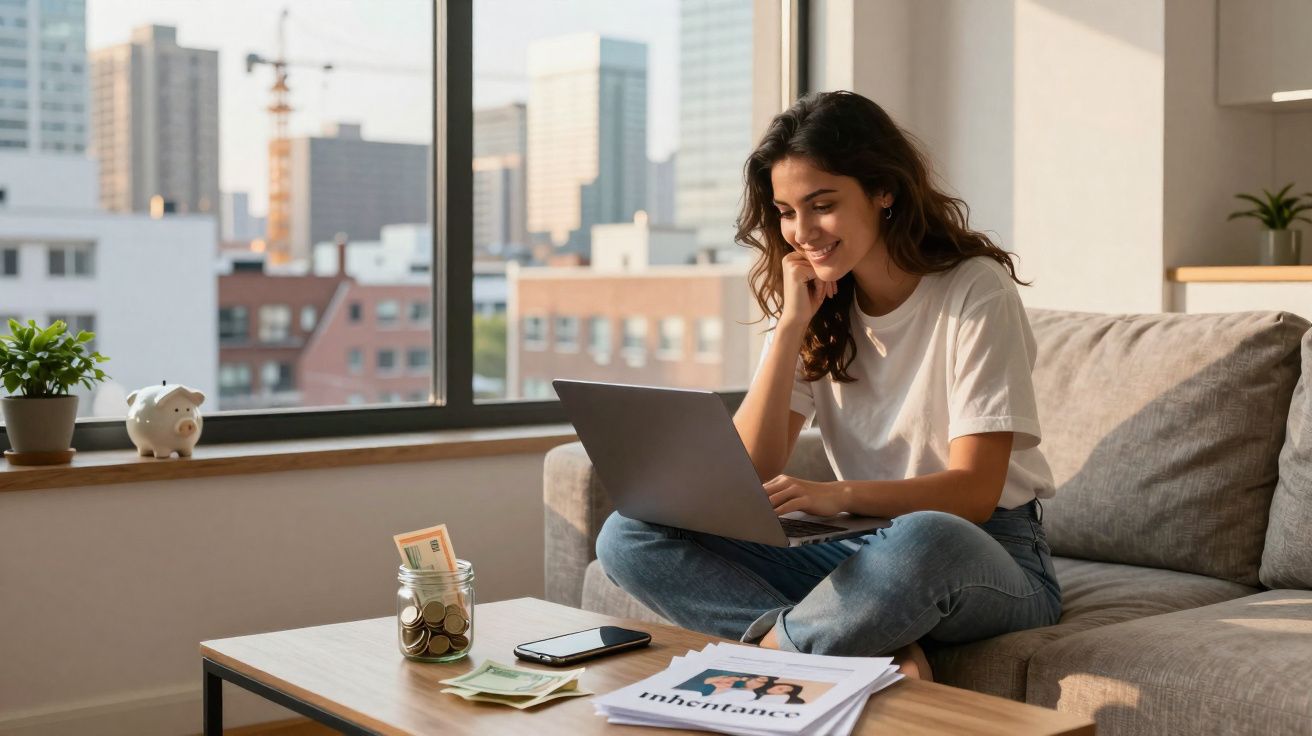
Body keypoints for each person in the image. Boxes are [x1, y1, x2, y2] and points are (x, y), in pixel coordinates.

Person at [595, 90, 1062, 681]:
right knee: (629, 534)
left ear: (883, 189)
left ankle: (775, 663)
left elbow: (973, 493)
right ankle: (859, 644)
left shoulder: (975, 289)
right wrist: (791, 327)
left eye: (822, 205)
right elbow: (749, 471)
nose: (801, 231)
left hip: (980, 551)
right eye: (787, 211)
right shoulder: (817, 303)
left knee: (923, 538)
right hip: (862, 551)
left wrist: (837, 496)